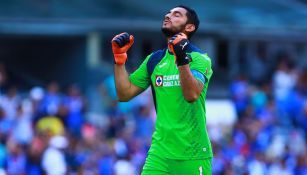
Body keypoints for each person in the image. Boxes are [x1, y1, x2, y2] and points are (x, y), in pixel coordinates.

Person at [111, 5, 213, 175]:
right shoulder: (154, 60)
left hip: (194, 154)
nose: (168, 16)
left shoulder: (200, 59)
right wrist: (120, 60)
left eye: (176, 15)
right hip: (160, 153)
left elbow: (191, 95)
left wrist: (181, 59)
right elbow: (124, 93)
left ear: (190, 27)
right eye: (168, 13)